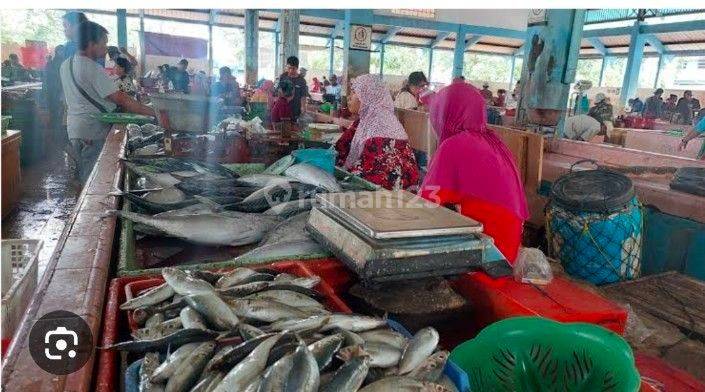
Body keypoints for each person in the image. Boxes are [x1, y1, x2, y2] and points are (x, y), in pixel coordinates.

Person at [419, 82, 529, 263]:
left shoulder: (454, 145)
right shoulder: (493, 141)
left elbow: (427, 204)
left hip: (481, 258)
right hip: (504, 254)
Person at [60, 21, 154, 184]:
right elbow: (121, 98)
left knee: (84, 174)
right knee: (93, 180)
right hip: (92, 131)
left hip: (75, 128)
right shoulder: (91, 67)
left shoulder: (66, 64)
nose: (105, 49)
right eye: (103, 43)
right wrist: (154, 113)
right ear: (91, 44)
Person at [334, 74, 419, 190]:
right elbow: (340, 148)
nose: (349, 97)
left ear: (366, 96)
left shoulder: (380, 127)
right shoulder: (366, 120)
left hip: (389, 197)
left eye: (354, 92)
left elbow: (375, 176)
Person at [43, 45, 66, 143]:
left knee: (55, 114)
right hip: (58, 92)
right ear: (58, 51)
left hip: (52, 93)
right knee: (59, 114)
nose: (63, 52)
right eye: (62, 51)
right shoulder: (62, 63)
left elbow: (46, 80)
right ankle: (58, 137)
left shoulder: (51, 63)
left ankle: (55, 138)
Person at [277, 56, 308, 120]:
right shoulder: (283, 76)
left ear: (297, 68)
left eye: (293, 68)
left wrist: (303, 107)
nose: (291, 70)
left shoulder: (301, 80)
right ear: (286, 67)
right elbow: (279, 91)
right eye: (289, 68)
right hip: (283, 108)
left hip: (296, 109)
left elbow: (303, 96)